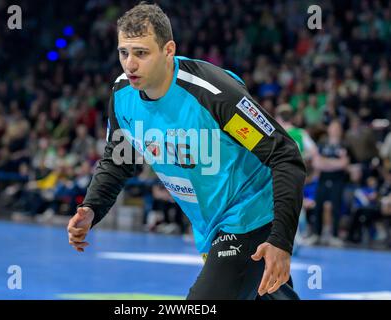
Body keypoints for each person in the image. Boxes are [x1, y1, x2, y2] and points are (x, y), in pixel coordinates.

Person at [67, 2, 306, 300]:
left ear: (168, 50)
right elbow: (119, 159)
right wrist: (91, 208)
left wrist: (281, 241)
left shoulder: (214, 94)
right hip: (209, 226)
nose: (130, 64)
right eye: (123, 53)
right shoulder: (122, 94)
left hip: (251, 217)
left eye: (141, 53)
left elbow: (285, 156)